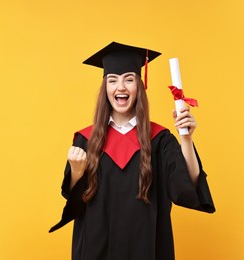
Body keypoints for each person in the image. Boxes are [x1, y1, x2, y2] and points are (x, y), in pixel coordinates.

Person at [49, 42, 215, 260]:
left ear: (139, 85)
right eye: (113, 80)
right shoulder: (85, 140)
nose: (121, 87)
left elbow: (187, 186)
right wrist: (77, 172)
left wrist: (186, 138)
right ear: (105, 88)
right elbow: (74, 201)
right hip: (96, 248)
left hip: (146, 248)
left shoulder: (160, 140)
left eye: (129, 79)